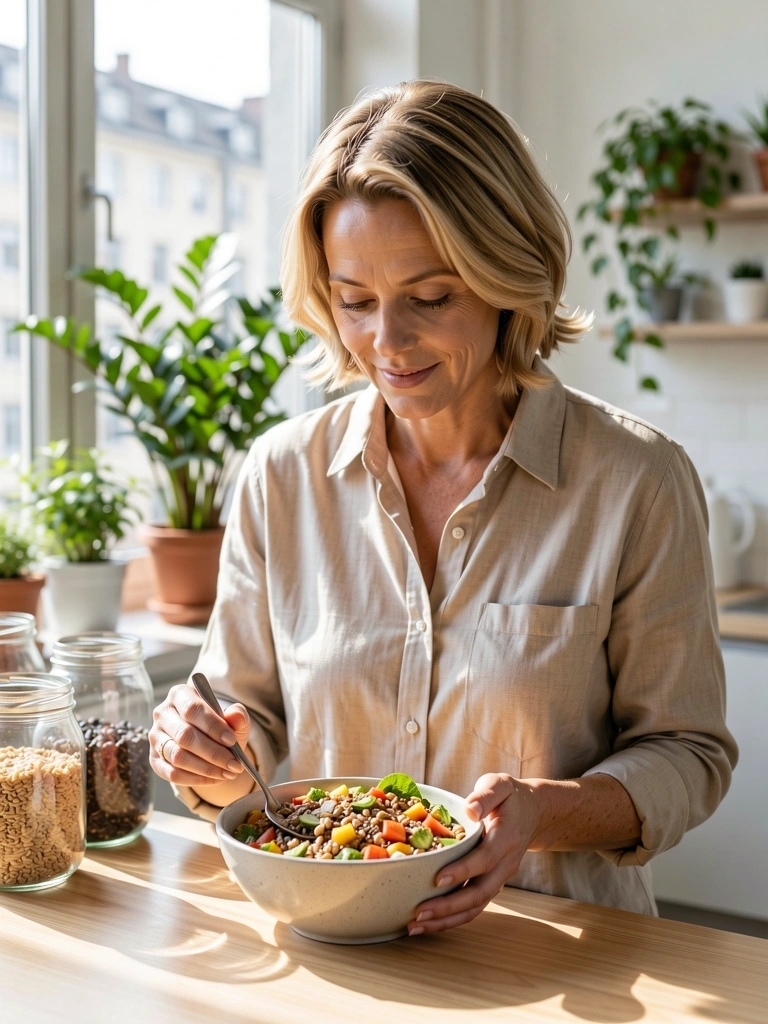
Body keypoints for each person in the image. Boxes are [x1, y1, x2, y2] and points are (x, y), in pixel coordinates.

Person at [150, 80, 737, 935]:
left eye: (431, 297)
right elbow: (252, 739)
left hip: (557, 956)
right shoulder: (281, 476)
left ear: (508, 276)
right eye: (355, 301)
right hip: (333, 948)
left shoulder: (637, 481)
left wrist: (545, 812)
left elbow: (689, 754)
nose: (386, 342)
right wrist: (210, 754)